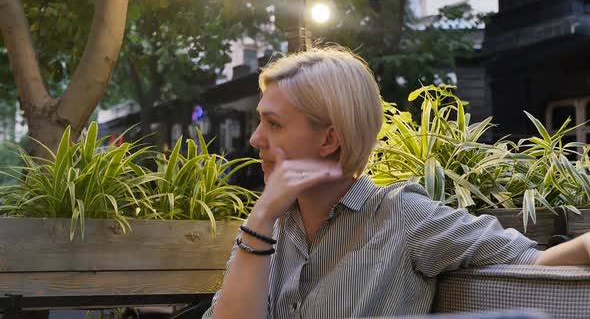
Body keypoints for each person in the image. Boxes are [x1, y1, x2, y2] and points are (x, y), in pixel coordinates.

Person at [203, 46, 590, 319]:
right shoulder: (271, 229)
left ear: (329, 139)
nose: (255, 139)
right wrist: (261, 218)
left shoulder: (401, 216)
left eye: (273, 123)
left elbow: (533, 262)